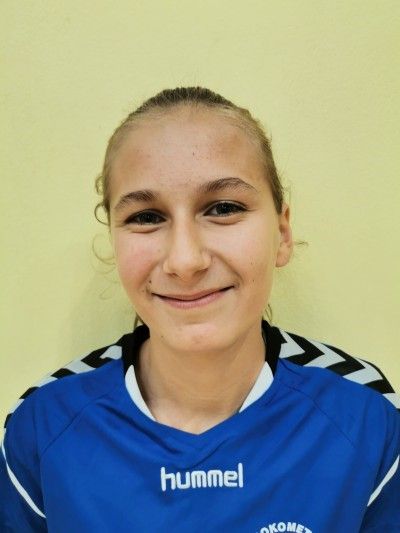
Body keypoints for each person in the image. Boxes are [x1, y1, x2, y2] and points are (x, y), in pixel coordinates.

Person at [1, 87, 399, 532]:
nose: (185, 260)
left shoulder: (366, 413)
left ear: (282, 234)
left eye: (224, 208)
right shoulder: (43, 424)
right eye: (146, 217)